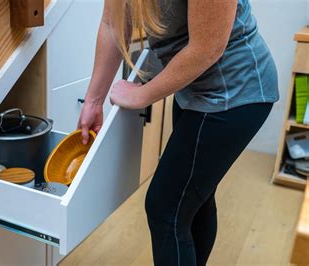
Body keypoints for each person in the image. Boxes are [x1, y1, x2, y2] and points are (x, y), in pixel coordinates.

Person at [77, 0, 279, 265]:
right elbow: (113, 22)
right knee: (193, 202)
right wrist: (93, 100)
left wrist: (142, 95)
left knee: (166, 208)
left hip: (235, 92)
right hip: (193, 90)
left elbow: (206, 49)